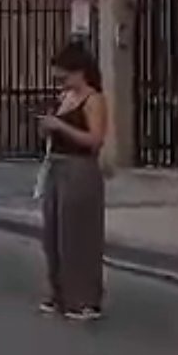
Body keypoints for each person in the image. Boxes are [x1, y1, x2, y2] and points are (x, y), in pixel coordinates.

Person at [37, 42, 109, 320]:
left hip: (80, 170)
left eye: (65, 77)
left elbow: (95, 141)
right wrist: (48, 128)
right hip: (56, 167)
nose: (62, 82)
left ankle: (85, 298)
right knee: (55, 235)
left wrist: (61, 126)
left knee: (79, 235)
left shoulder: (94, 99)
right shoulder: (64, 97)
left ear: (80, 72)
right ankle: (60, 292)